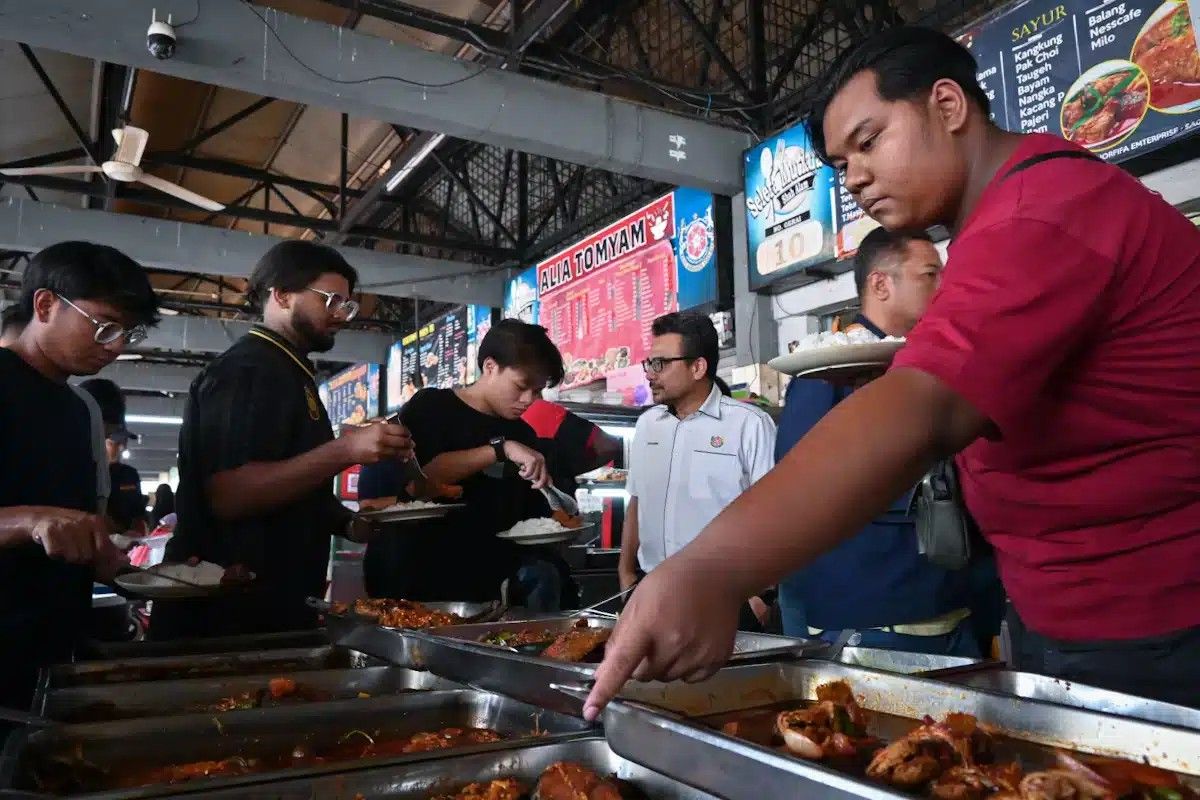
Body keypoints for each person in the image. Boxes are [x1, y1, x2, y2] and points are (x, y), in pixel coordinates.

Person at [583, 25, 1200, 719]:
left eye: (869, 142)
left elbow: (926, 410)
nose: (854, 180)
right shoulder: (1009, 220)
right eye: (841, 164)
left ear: (947, 104)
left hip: (1152, 626)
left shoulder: (1044, 211)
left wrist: (712, 570)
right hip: (1078, 616)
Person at [151, 240, 414, 639]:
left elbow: (293, 486)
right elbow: (230, 494)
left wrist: (350, 523)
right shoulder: (248, 370)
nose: (342, 316)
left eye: (348, 305)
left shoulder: (292, 373)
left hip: (274, 602)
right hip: (226, 614)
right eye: (331, 300)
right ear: (281, 294)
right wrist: (345, 450)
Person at [776, 228, 984, 656]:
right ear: (880, 284)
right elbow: (802, 484)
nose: (943, 287)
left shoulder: (932, 359)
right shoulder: (830, 368)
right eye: (930, 274)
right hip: (877, 613)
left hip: (952, 601)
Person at [0, 241, 157, 712]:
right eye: (104, 327)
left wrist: (113, 561)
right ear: (45, 305)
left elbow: (77, 523)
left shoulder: (75, 410)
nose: (116, 346)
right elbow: (41, 519)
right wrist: (27, 521)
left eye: (128, 333)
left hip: (45, 651)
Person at [363, 319, 563, 604]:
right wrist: (499, 449)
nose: (529, 399)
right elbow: (422, 484)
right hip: (417, 581)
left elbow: (526, 518)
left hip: (486, 590)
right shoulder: (432, 408)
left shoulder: (525, 435)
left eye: (538, 391)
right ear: (490, 367)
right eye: (521, 386)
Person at [618, 311, 776, 631]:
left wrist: (762, 595)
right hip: (650, 590)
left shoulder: (749, 424)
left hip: (726, 594)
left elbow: (773, 515)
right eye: (649, 363)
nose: (650, 374)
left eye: (660, 364)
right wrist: (625, 575)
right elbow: (636, 501)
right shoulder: (648, 425)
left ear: (697, 367)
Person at [78, 378, 147, 536]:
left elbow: (138, 516)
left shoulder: (127, 475)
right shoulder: (66, 464)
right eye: (108, 438)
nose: (120, 447)